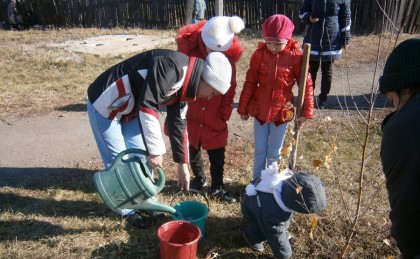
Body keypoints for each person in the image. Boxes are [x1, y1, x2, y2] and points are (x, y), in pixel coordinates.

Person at [87, 49, 232, 227]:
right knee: (119, 161)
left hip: (130, 109)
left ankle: (148, 203)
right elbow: (148, 105)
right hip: (106, 103)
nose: (209, 98)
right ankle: (127, 211)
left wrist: (182, 165)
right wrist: (156, 151)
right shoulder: (171, 66)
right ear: (205, 79)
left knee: (141, 160)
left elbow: (178, 123)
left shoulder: (187, 85)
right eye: (213, 92)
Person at [237, 14, 314, 182]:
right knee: (259, 150)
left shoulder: (296, 56)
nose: (272, 47)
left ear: (288, 40)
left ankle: (270, 183)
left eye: (278, 44)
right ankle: (257, 182)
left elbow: (306, 84)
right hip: (260, 111)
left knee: (274, 151)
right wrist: (243, 108)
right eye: (269, 43)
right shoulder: (259, 55)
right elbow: (250, 82)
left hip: (282, 111)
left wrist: (306, 112)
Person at [176, 16, 245, 202]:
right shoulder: (190, 55)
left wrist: (224, 112)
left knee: (217, 152)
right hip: (193, 112)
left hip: (215, 114)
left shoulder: (228, 62)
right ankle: (199, 178)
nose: (214, 54)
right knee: (192, 147)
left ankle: (217, 186)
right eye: (210, 49)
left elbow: (230, 89)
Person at [370, 38, 420, 259]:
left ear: (405, 88)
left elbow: (409, 215)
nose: (394, 107)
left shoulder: (407, 125)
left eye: (392, 100)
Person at [241, 163, 327, 259]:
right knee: (265, 229)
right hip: (252, 209)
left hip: (263, 204)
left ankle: (277, 229)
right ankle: (252, 236)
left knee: (281, 220)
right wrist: (284, 256)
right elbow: (275, 234)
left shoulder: (290, 186)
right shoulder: (272, 211)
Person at [299, 0, 351, 109]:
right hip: (313, 37)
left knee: (327, 70)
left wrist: (345, 37)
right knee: (311, 70)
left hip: (332, 37)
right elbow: (302, 12)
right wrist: (308, 17)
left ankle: (323, 98)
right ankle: (309, 97)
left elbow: (345, 17)